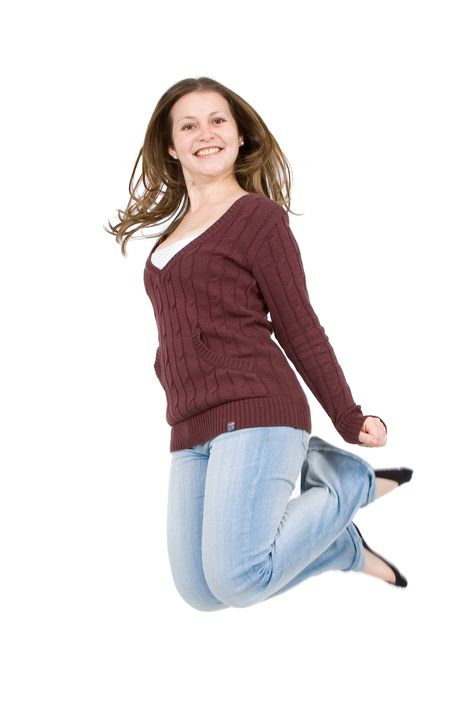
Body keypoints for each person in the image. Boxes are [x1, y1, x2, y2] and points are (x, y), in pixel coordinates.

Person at [105, 76, 413, 611]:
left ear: (240, 134)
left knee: (240, 577)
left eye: (218, 120)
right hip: (189, 422)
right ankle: (339, 545)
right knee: (201, 592)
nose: (207, 133)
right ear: (171, 146)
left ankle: (350, 484)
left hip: (256, 408)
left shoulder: (258, 220)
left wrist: (348, 414)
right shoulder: (167, 240)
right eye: (189, 124)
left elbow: (299, 324)